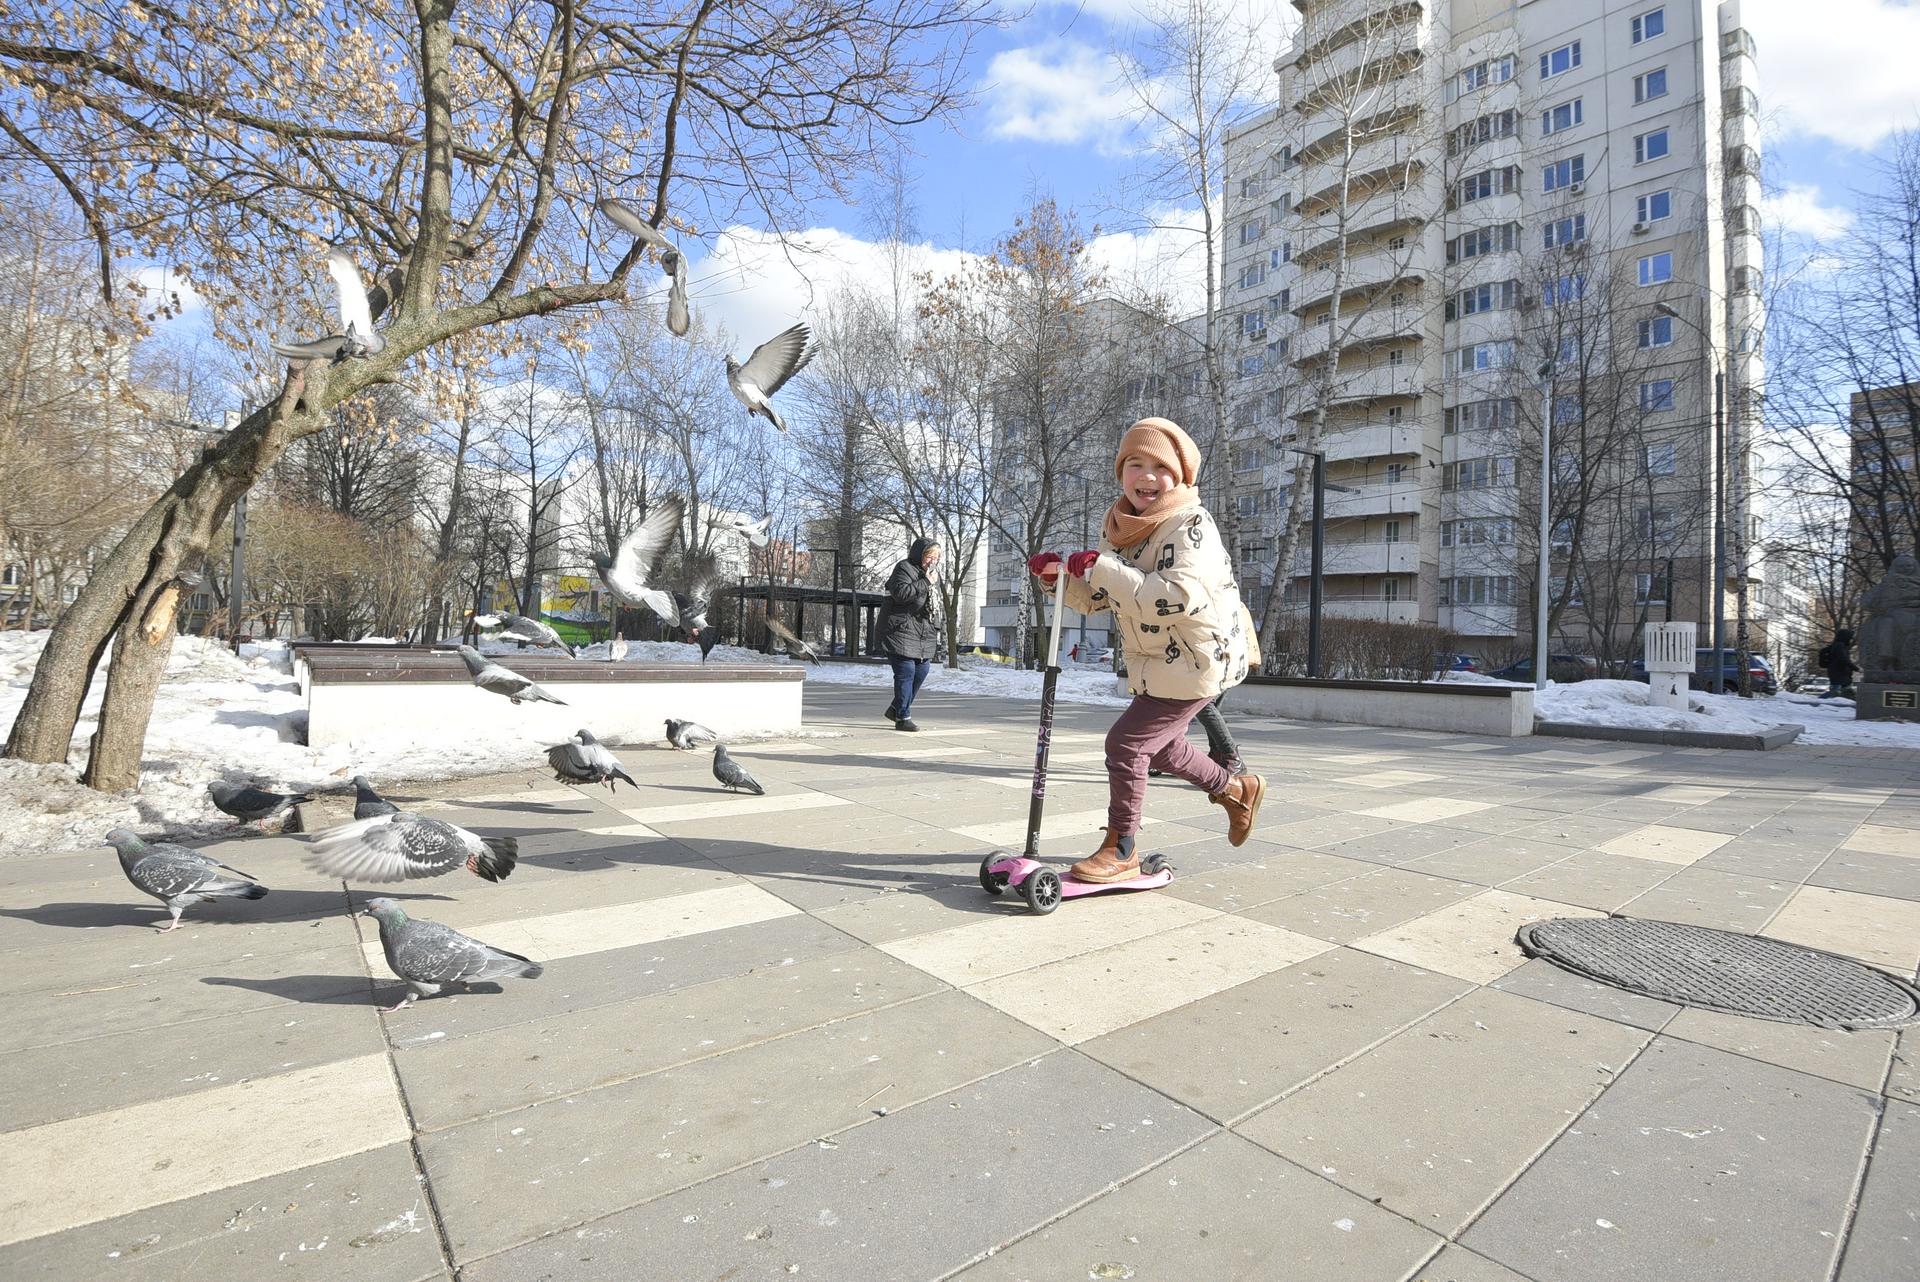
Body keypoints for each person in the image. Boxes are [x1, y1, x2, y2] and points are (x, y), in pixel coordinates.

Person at [1029, 417, 1265, 883]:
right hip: (1158, 661)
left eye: (1161, 466)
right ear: (1121, 473)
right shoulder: (1120, 524)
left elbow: (1173, 596)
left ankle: (1123, 847)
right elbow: (1104, 597)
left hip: (1200, 657)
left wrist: (1102, 568)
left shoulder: (1192, 524)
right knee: (1158, 748)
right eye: (1135, 464)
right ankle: (1236, 790)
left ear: (1181, 476)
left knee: (1128, 742)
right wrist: (1064, 581)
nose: (1147, 477)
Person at [880, 537, 941, 730]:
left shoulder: (932, 575)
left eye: (936, 557)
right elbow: (901, 594)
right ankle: (902, 718)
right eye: (930, 556)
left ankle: (896, 708)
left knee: (922, 671)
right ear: (920, 555)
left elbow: (935, 604)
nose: (933, 560)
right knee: (906, 672)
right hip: (899, 630)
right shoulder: (904, 568)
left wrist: (938, 627)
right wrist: (925, 582)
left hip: (923, 632)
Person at [1819, 628, 1857, 698]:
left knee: (1846, 694)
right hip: (1839, 676)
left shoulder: (1838, 645)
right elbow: (1843, 659)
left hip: (1842, 677)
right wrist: (1856, 668)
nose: (1851, 640)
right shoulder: (1839, 646)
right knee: (1835, 693)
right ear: (1845, 637)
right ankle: (1817, 702)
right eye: (1850, 638)